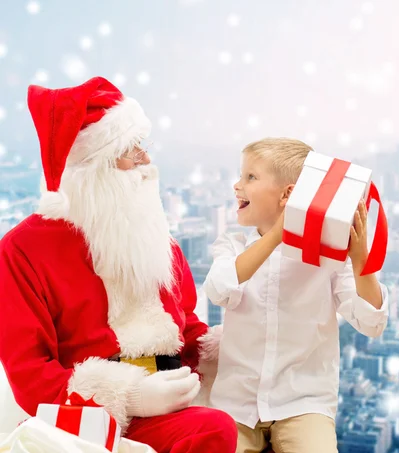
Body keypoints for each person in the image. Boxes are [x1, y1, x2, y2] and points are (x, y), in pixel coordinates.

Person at [0, 77, 237, 453]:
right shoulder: (22, 250)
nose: (146, 160)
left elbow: (184, 326)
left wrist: (232, 346)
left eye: (143, 146)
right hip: (87, 422)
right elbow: (31, 376)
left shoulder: (155, 239)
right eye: (130, 150)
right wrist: (130, 396)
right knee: (214, 430)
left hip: (173, 403)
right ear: (93, 167)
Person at [202, 138, 389, 453]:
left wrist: (360, 259)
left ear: (287, 195)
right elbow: (219, 289)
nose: (237, 186)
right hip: (236, 404)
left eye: (250, 177)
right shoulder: (232, 245)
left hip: (304, 403)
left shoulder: (329, 259)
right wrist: (277, 236)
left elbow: (372, 322)